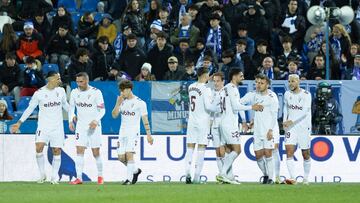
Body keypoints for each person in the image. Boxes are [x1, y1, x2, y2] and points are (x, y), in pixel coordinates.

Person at [11, 71, 69, 184]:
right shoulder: (39, 93)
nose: (60, 80)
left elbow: (66, 105)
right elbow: (30, 109)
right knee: (39, 148)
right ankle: (42, 174)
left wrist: (74, 115)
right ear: (50, 79)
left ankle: (54, 176)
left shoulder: (61, 91)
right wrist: (19, 122)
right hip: (43, 126)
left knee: (57, 150)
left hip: (57, 127)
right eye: (58, 78)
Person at [217, 69, 263, 184]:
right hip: (229, 123)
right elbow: (236, 106)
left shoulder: (226, 88)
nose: (243, 77)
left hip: (224, 121)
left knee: (228, 150)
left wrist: (243, 120)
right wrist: (252, 107)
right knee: (237, 150)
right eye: (241, 76)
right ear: (234, 76)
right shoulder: (232, 88)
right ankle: (222, 174)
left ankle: (229, 176)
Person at [111, 80, 154, 185]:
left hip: (133, 132)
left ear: (129, 89)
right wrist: (117, 103)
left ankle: (128, 179)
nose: (121, 92)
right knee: (121, 158)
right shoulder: (122, 101)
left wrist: (149, 135)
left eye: (123, 90)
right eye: (120, 90)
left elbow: (145, 119)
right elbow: (114, 115)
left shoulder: (140, 103)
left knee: (129, 154)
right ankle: (135, 171)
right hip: (122, 132)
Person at [240, 74, 280, 184]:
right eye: (257, 82)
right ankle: (266, 174)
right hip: (257, 130)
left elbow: (274, 115)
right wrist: (245, 120)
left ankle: (271, 178)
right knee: (258, 155)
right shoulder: (252, 95)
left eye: (261, 83)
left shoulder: (272, 97)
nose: (258, 85)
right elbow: (238, 104)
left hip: (269, 129)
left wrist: (271, 130)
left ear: (267, 84)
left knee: (268, 153)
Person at [184, 67, 220, 184]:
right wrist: (217, 105)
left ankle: (187, 172)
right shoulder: (206, 89)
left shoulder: (191, 87)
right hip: (203, 121)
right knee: (201, 148)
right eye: (208, 75)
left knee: (190, 148)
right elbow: (209, 107)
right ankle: (196, 177)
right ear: (205, 75)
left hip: (192, 121)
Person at [68, 72, 106, 185]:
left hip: (94, 126)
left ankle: (100, 176)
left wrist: (96, 120)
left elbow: (102, 110)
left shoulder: (96, 92)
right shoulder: (74, 92)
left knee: (96, 152)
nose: (79, 84)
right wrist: (71, 119)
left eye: (81, 82)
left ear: (87, 81)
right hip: (80, 126)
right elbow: (71, 108)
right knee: (79, 150)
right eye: (77, 82)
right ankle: (79, 178)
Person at [283, 74, 312, 185]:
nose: (291, 83)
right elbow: (286, 108)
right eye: (289, 81)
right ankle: (293, 178)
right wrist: (285, 121)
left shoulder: (306, 95)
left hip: (304, 127)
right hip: (291, 128)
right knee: (289, 151)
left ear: (298, 82)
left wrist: (291, 120)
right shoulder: (287, 94)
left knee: (305, 153)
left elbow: (304, 112)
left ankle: (306, 178)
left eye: (293, 81)